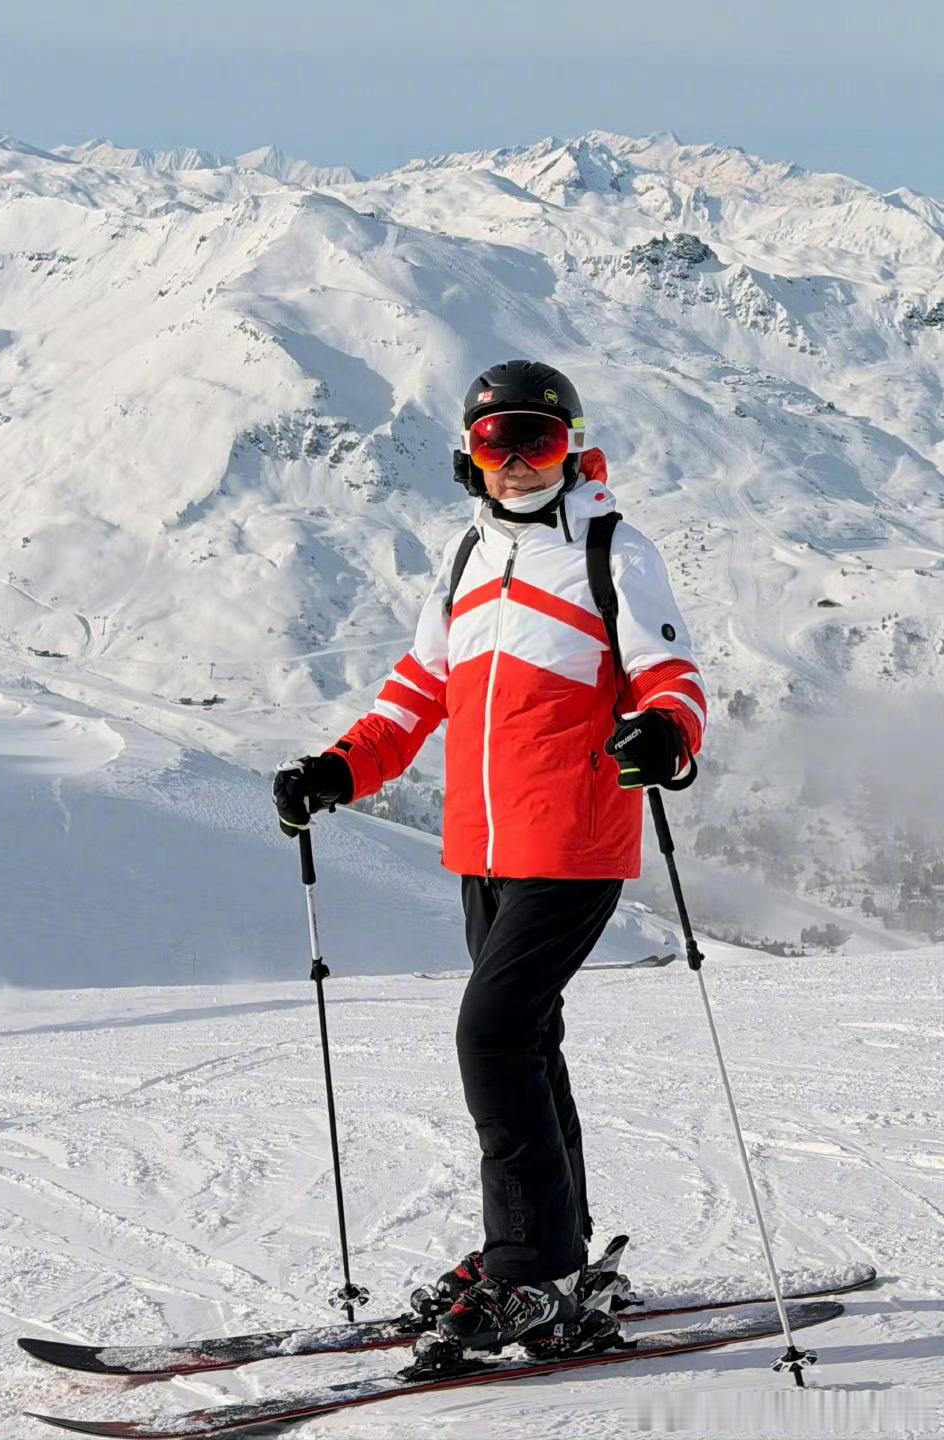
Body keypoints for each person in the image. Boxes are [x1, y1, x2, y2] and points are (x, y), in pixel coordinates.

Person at [273, 360, 706, 1353]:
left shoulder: (612, 551)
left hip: (575, 840)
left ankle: (530, 1267)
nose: (515, 462)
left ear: (571, 448)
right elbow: (418, 691)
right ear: (469, 456)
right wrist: (339, 769)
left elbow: (672, 675)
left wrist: (665, 735)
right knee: (529, 1041)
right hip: (482, 847)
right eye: (493, 443)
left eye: (536, 441)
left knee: (492, 1037)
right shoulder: (467, 555)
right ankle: (559, 1247)